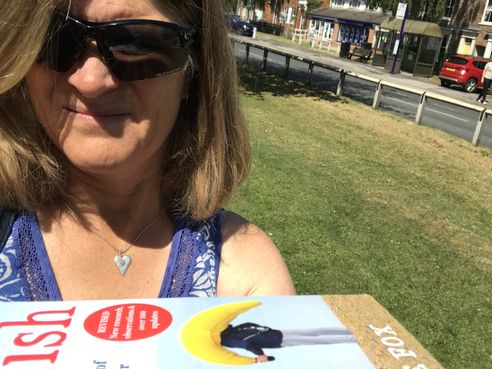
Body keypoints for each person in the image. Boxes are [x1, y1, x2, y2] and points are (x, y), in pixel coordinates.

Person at [0, 0, 295, 301]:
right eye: (55, 37)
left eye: (134, 44)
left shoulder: (244, 276)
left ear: (192, 70)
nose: (90, 81)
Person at [220, 322, 357, 362]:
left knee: (314, 339)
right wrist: (264, 328)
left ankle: (352, 337)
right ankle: (348, 331)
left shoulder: (225, 339)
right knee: (313, 332)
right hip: (273, 333)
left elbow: (247, 344)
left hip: (274, 338)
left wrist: (260, 354)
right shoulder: (227, 331)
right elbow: (247, 324)